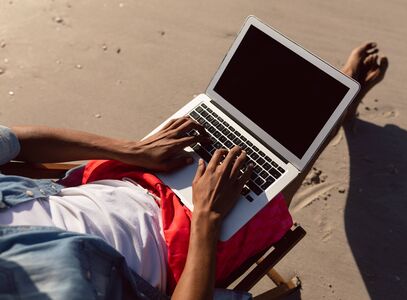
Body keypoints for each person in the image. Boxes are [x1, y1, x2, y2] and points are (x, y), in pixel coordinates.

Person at [0, 42, 387, 299]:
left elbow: (15, 140)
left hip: (124, 173)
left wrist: (134, 150)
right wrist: (207, 216)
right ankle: (339, 101)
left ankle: (336, 98)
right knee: (274, 167)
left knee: (222, 120)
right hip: (188, 245)